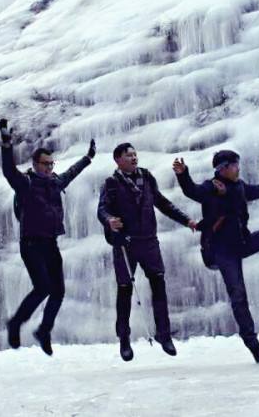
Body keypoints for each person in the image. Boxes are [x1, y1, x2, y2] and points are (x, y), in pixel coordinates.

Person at [173, 150, 259, 364]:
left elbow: (256, 191)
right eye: (234, 165)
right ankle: (254, 347)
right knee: (239, 296)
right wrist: (183, 174)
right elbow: (192, 191)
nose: (238, 168)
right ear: (223, 168)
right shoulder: (212, 187)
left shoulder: (239, 186)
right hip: (220, 251)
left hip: (240, 243)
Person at [0, 119, 95, 355]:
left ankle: (44, 330)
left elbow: (72, 172)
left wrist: (89, 158)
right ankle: (15, 323)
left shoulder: (55, 182)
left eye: (52, 164)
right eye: (45, 164)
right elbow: (8, 171)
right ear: (35, 164)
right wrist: (6, 144)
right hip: (31, 244)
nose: (50, 168)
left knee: (58, 291)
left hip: (50, 243)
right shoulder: (26, 183)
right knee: (42, 287)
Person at [97, 143, 198, 362]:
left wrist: (186, 220)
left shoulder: (147, 177)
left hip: (149, 241)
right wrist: (109, 220)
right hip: (125, 243)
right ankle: (124, 339)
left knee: (159, 285)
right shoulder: (111, 183)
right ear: (118, 160)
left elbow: (162, 203)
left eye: (135, 154)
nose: (133, 158)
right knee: (125, 289)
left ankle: (164, 335)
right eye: (128, 155)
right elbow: (102, 209)